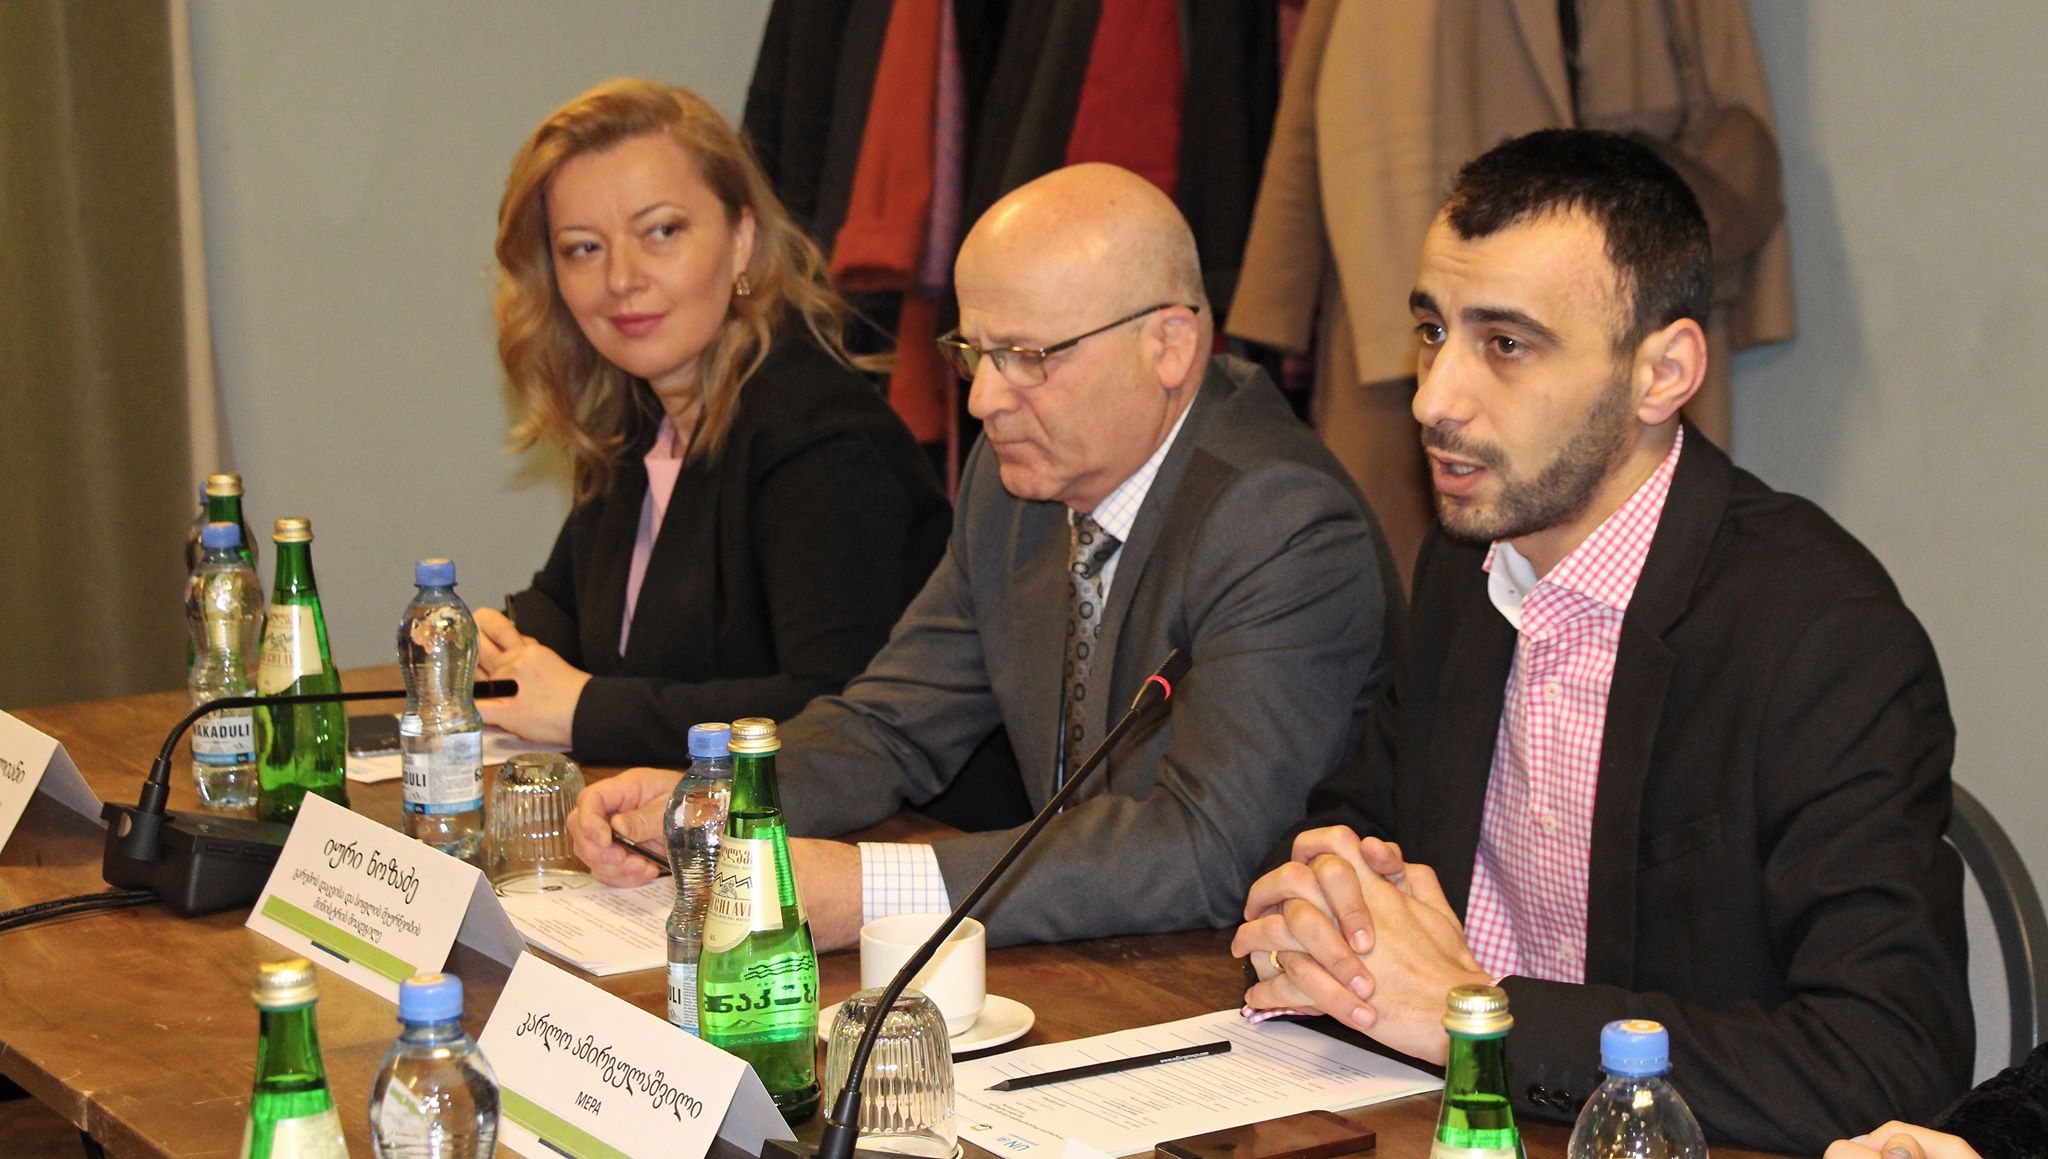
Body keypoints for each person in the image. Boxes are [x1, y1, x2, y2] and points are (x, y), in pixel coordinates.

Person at [1230, 129, 1970, 1153]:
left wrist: (1476, 1018)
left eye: (1505, 344)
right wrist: (1325, 910)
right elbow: (1360, 826)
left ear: (1661, 372)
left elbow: (1886, 1058)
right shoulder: (1466, 564)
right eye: (1432, 330)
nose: (1432, 398)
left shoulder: (1822, 635)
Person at [571, 162, 1397, 950]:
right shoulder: (1014, 487)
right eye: (972, 354)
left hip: (1249, 985)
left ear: (1170, 346)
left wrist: (869, 888)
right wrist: (719, 800)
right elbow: (892, 724)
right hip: (1097, 954)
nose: (984, 400)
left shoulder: (1281, 522)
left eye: (1026, 358)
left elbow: (1207, 848)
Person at [479, 79, 949, 764]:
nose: (621, 278)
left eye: (661, 232)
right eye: (583, 248)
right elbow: (568, 614)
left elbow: (840, 707)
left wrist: (584, 710)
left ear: (741, 240)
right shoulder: (640, 415)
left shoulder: (822, 438)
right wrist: (491, 645)